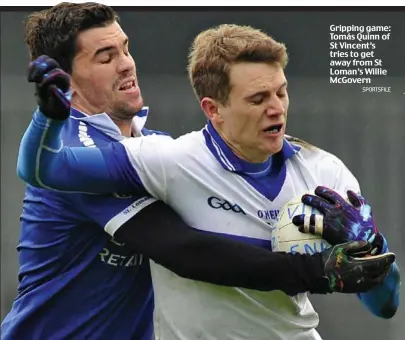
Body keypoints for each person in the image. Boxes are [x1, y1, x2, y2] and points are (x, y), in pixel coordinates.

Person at [2, 4, 381, 340]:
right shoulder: (77, 156)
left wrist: (364, 244)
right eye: (105, 57)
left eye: (126, 48)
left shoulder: (153, 145)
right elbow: (185, 250)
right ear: (66, 79)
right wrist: (317, 269)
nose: (127, 64)